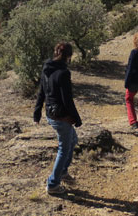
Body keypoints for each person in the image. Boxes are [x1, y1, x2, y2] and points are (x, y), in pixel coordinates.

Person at [33, 42, 82, 195]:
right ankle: (53, 184)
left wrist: (37, 112)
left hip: (50, 113)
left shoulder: (47, 68)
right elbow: (67, 100)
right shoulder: (63, 73)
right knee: (64, 148)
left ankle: (63, 172)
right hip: (61, 116)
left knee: (72, 140)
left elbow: (42, 92)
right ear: (68, 56)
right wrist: (76, 118)